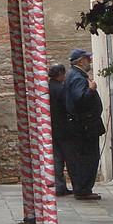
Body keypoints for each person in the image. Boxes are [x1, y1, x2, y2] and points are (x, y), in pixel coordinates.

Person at [64, 48, 105, 200]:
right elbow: (80, 99)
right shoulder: (77, 77)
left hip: (83, 124)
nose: (90, 61)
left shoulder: (75, 75)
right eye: (88, 59)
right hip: (85, 125)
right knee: (89, 157)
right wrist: (92, 90)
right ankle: (83, 189)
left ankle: (83, 188)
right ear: (80, 61)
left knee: (85, 156)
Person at [48, 63, 72, 196]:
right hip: (61, 127)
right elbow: (67, 106)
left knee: (56, 158)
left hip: (52, 127)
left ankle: (59, 185)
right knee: (62, 158)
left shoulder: (48, 87)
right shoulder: (60, 89)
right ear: (60, 74)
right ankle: (60, 186)